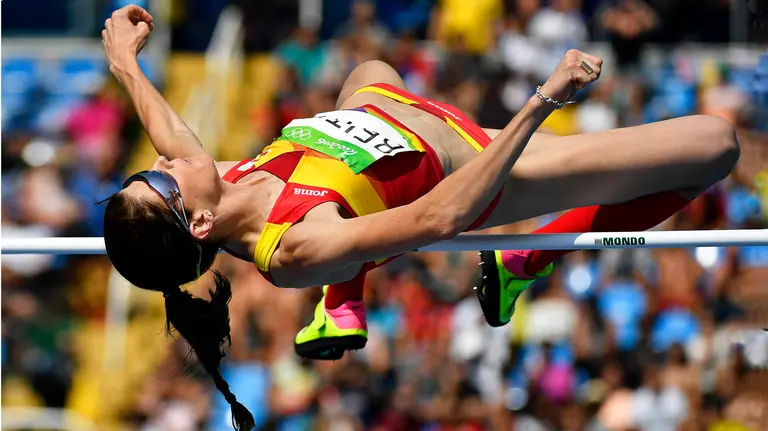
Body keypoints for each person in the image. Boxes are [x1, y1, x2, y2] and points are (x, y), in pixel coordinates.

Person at [99, 5, 739, 429]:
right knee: (714, 145)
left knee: (369, 67)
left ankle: (343, 297)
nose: (163, 159)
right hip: (485, 164)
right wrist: (542, 101)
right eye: (160, 178)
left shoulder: (218, 183)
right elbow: (441, 216)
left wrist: (125, 59)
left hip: (391, 107)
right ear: (200, 225)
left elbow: (165, 127)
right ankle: (525, 260)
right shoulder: (292, 246)